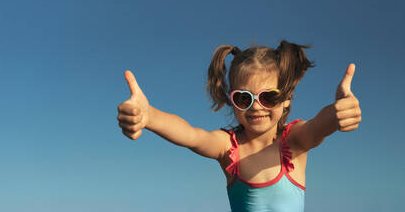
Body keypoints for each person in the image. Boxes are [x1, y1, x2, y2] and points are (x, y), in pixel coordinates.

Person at [117, 40, 362, 212]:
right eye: (244, 98)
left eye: (269, 97)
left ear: (286, 97)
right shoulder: (228, 147)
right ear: (232, 100)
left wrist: (337, 114)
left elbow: (318, 127)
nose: (256, 106)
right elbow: (192, 136)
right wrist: (150, 116)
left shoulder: (294, 141)